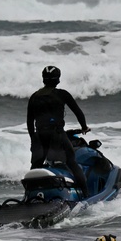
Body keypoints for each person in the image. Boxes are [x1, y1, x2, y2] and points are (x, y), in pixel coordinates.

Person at [27, 65, 90, 195]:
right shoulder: (62, 94)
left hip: (39, 135)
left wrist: (33, 138)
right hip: (56, 134)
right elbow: (78, 112)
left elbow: (29, 121)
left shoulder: (34, 96)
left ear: (43, 79)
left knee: (35, 167)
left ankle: (29, 195)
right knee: (72, 162)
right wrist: (84, 127)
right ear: (57, 80)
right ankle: (86, 194)